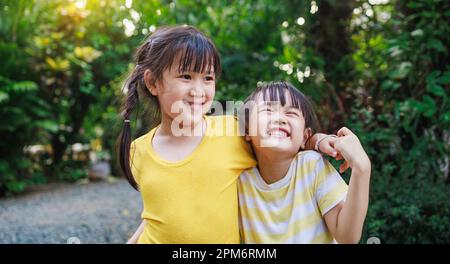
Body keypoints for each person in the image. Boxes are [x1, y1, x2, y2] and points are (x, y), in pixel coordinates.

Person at [118, 25, 340, 243]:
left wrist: (318, 140)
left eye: (208, 78)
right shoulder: (138, 150)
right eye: (186, 76)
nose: (198, 90)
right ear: (152, 82)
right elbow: (156, 213)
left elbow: (283, 139)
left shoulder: (233, 131)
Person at [237, 82, 371, 243]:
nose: (280, 119)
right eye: (267, 110)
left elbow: (347, 238)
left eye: (291, 113)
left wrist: (362, 168)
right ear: (246, 131)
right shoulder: (239, 180)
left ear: (305, 137)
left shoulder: (312, 167)